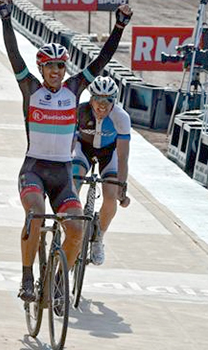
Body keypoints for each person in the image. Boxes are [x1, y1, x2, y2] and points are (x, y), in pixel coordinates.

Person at [0, 0, 133, 301]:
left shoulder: (74, 89)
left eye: (60, 65)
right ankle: (27, 277)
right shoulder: (31, 89)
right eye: (50, 66)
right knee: (34, 214)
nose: (56, 71)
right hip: (33, 170)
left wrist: (119, 26)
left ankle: (59, 281)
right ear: (40, 68)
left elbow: (102, 60)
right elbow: (13, 54)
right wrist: (6, 19)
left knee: (76, 231)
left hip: (61, 174)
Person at [72, 76, 131, 266]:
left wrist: (122, 187)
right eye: (98, 99)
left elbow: (122, 156)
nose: (102, 105)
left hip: (109, 154)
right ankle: (72, 225)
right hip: (83, 149)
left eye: (108, 100)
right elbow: (69, 147)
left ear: (115, 101)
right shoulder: (79, 112)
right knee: (73, 184)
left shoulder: (121, 118)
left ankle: (98, 238)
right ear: (91, 99)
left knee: (110, 195)